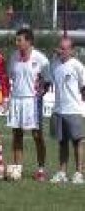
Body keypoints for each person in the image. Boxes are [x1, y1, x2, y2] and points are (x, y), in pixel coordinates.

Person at [7, 28, 51, 181]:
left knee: (37, 135)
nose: (17, 43)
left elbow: (48, 80)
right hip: (16, 99)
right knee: (17, 135)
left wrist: (40, 94)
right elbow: (11, 77)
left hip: (32, 100)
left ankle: (41, 169)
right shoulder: (13, 57)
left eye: (20, 40)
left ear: (29, 41)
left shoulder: (41, 58)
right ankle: (18, 169)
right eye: (16, 40)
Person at [50, 37, 85, 184]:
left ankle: (79, 173)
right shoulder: (54, 65)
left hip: (74, 110)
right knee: (62, 142)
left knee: (78, 141)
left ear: (71, 50)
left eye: (65, 48)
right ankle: (62, 172)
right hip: (59, 109)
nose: (61, 51)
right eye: (60, 48)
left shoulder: (77, 66)